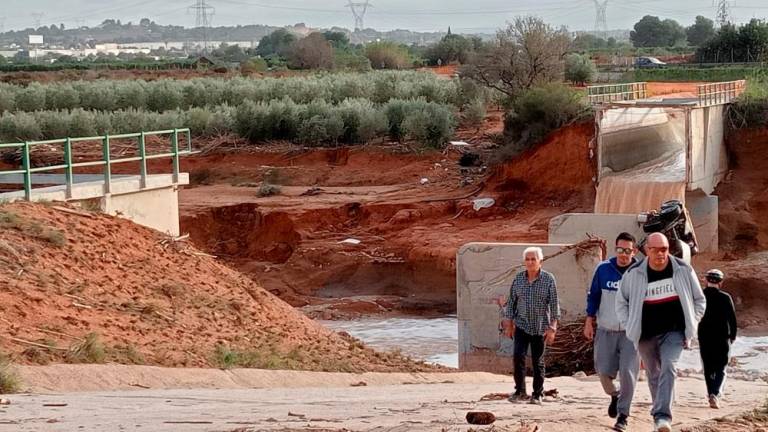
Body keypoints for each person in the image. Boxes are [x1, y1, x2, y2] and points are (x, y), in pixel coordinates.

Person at [616, 232, 706, 432]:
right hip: (644, 333)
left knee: (669, 367)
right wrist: (629, 325)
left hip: (674, 332)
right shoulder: (634, 273)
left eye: (664, 249)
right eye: (655, 249)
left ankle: (662, 416)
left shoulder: (683, 269)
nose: (660, 254)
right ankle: (660, 409)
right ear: (647, 250)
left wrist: (693, 321)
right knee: (654, 374)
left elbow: (700, 300)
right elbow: (621, 303)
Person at [584, 232, 640, 431]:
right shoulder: (603, 269)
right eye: (620, 250)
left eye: (628, 251)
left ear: (633, 251)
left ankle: (623, 415)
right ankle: (614, 395)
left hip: (630, 333)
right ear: (615, 249)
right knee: (603, 371)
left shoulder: (640, 271)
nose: (623, 254)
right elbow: (593, 296)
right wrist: (589, 321)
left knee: (628, 373)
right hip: (606, 329)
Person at [502, 246, 560, 405]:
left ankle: (537, 394)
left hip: (540, 327)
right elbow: (512, 302)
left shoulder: (548, 279)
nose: (530, 262)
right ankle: (520, 391)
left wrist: (552, 327)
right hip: (521, 325)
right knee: (518, 357)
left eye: (533, 259)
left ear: (540, 261)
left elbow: (554, 305)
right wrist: (509, 324)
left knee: (538, 361)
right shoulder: (519, 279)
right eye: (527, 259)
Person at [697, 269, 737, 409]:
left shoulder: (699, 295)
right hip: (722, 337)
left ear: (706, 280)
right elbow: (732, 319)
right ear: (721, 282)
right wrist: (733, 336)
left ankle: (710, 393)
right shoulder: (725, 297)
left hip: (704, 336)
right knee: (721, 367)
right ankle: (715, 392)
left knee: (708, 367)